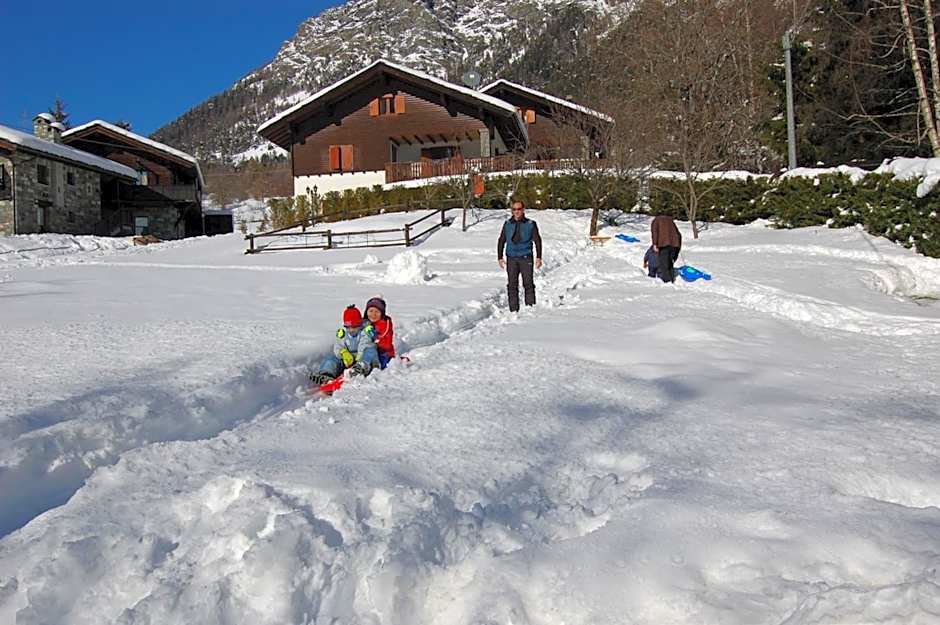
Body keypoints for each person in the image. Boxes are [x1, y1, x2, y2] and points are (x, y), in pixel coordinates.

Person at [310, 305, 379, 385]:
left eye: (354, 327)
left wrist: (359, 357)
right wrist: (343, 352)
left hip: (362, 358)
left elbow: (365, 343)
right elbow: (338, 346)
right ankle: (326, 374)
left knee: (370, 351)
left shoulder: (365, 332)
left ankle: (361, 367)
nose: (351, 330)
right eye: (348, 327)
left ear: (359, 325)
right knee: (332, 357)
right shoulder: (343, 334)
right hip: (348, 361)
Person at [497, 199, 543, 312]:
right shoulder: (507, 224)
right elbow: (501, 240)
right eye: (514, 209)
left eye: (519, 209)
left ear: (523, 210)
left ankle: (530, 308)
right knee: (512, 285)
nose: (516, 211)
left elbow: (537, 240)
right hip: (511, 258)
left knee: (528, 283)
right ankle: (513, 310)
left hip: (526, 257)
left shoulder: (530, 224)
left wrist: (538, 257)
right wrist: (500, 257)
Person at [364, 296, 395, 369]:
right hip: (366, 351)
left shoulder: (385, 325)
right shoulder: (364, 323)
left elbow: (387, 344)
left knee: (379, 363)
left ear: (382, 313)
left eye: (377, 312)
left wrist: (375, 340)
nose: (373, 314)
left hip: (383, 353)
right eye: (371, 311)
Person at [650, 214, 682, 283]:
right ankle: (672, 280)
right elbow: (679, 234)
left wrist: (655, 244)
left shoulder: (656, 221)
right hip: (674, 245)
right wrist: (678, 246)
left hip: (663, 245)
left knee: (664, 265)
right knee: (670, 263)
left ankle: (668, 282)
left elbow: (655, 233)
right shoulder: (670, 221)